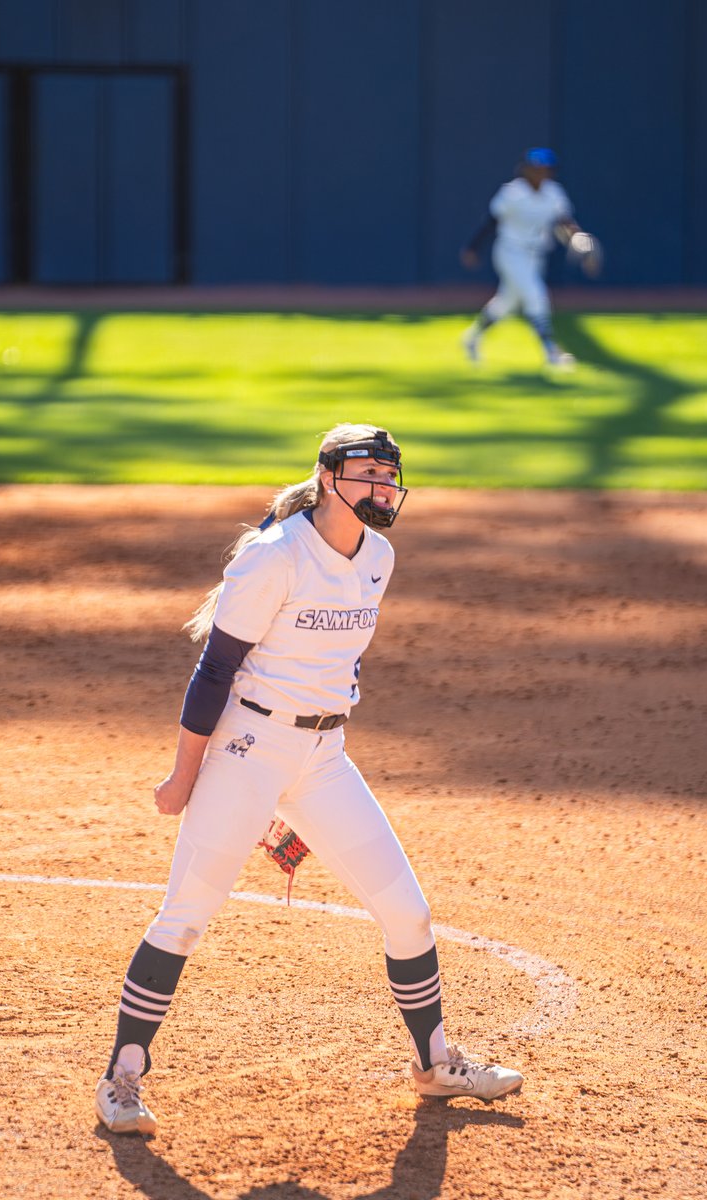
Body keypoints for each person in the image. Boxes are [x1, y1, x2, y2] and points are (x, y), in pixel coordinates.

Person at [94, 423, 524, 1136]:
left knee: (408, 913)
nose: (384, 490)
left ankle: (435, 1063)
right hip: (248, 748)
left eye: (391, 478)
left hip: (325, 757)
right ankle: (122, 1080)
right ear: (329, 480)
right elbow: (214, 673)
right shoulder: (275, 557)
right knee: (186, 917)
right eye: (369, 477)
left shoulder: (378, 557)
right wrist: (185, 776)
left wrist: (296, 780)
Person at [460, 146, 595, 368]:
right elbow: (492, 222)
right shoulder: (512, 193)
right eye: (536, 168)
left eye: (545, 169)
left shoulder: (553, 193)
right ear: (525, 169)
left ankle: (472, 338)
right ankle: (552, 352)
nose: (541, 173)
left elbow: (565, 222)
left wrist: (579, 238)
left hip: (535, 255)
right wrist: (473, 248)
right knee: (536, 295)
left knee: (506, 303)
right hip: (510, 252)